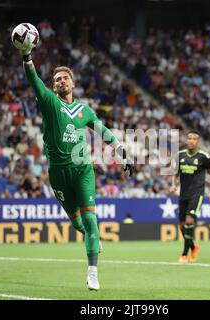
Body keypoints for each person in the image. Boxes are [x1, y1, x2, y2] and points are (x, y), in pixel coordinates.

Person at [16, 43, 133, 291]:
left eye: (65, 78)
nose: (60, 81)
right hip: (58, 175)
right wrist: (26, 55)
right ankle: (91, 237)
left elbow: (104, 132)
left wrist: (122, 152)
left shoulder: (85, 111)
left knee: (90, 220)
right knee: (79, 224)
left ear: (73, 84)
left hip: (82, 170)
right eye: (57, 79)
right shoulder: (49, 102)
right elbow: (33, 78)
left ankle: (92, 272)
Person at [170, 130, 210, 263]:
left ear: (198, 142)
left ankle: (185, 254)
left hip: (197, 194)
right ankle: (193, 247)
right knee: (181, 226)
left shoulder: (204, 157)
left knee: (189, 220)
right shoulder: (180, 155)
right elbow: (175, 173)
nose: (191, 141)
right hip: (183, 194)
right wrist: (173, 184)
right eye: (189, 138)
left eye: (194, 139)